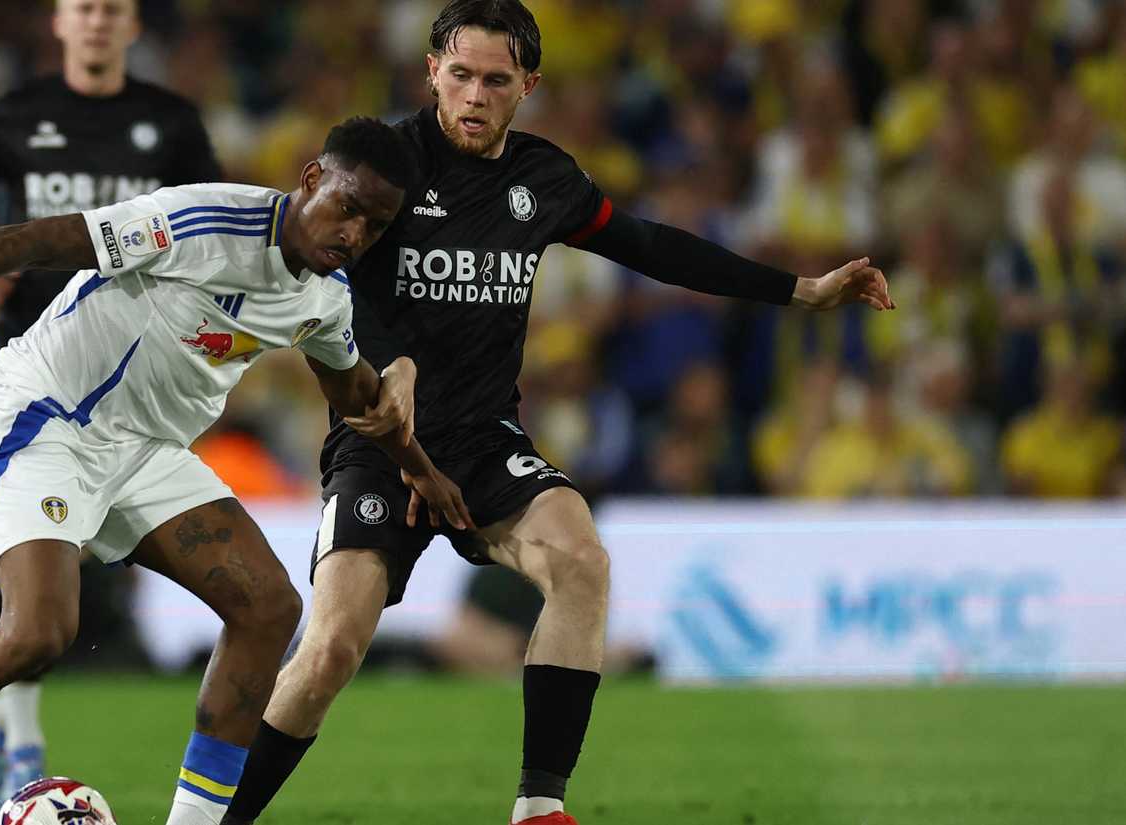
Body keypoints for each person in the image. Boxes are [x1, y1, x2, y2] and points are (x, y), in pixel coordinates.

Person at [219, 4, 895, 825]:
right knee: (328, 649)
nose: (474, 96)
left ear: (528, 85)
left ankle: (539, 808)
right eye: (460, 74)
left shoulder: (545, 180)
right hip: (380, 448)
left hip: (484, 441)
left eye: (496, 80)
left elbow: (649, 244)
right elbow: (305, 256)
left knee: (582, 559)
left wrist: (801, 289)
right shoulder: (389, 168)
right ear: (431, 68)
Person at [0, 117, 473, 825]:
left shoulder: (324, 302)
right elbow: (34, 239)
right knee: (38, 631)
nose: (354, 233)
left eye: (375, 224)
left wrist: (419, 469)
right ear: (311, 180)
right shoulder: (204, 219)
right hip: (43, 416)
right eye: (347, 207)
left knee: (269, 607)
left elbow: (357, 396)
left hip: (144, 451)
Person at [0, 2, 220, 800]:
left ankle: (2, 716)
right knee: (39, 552)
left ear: (133, 27)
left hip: (127, 370)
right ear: (60, 22)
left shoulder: (170, 123)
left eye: (113, 10)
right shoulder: (12, 115)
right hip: (31, 360)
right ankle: (21, 735)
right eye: (84, 7)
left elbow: (206, 225)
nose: (98, 22)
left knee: (69, 559)